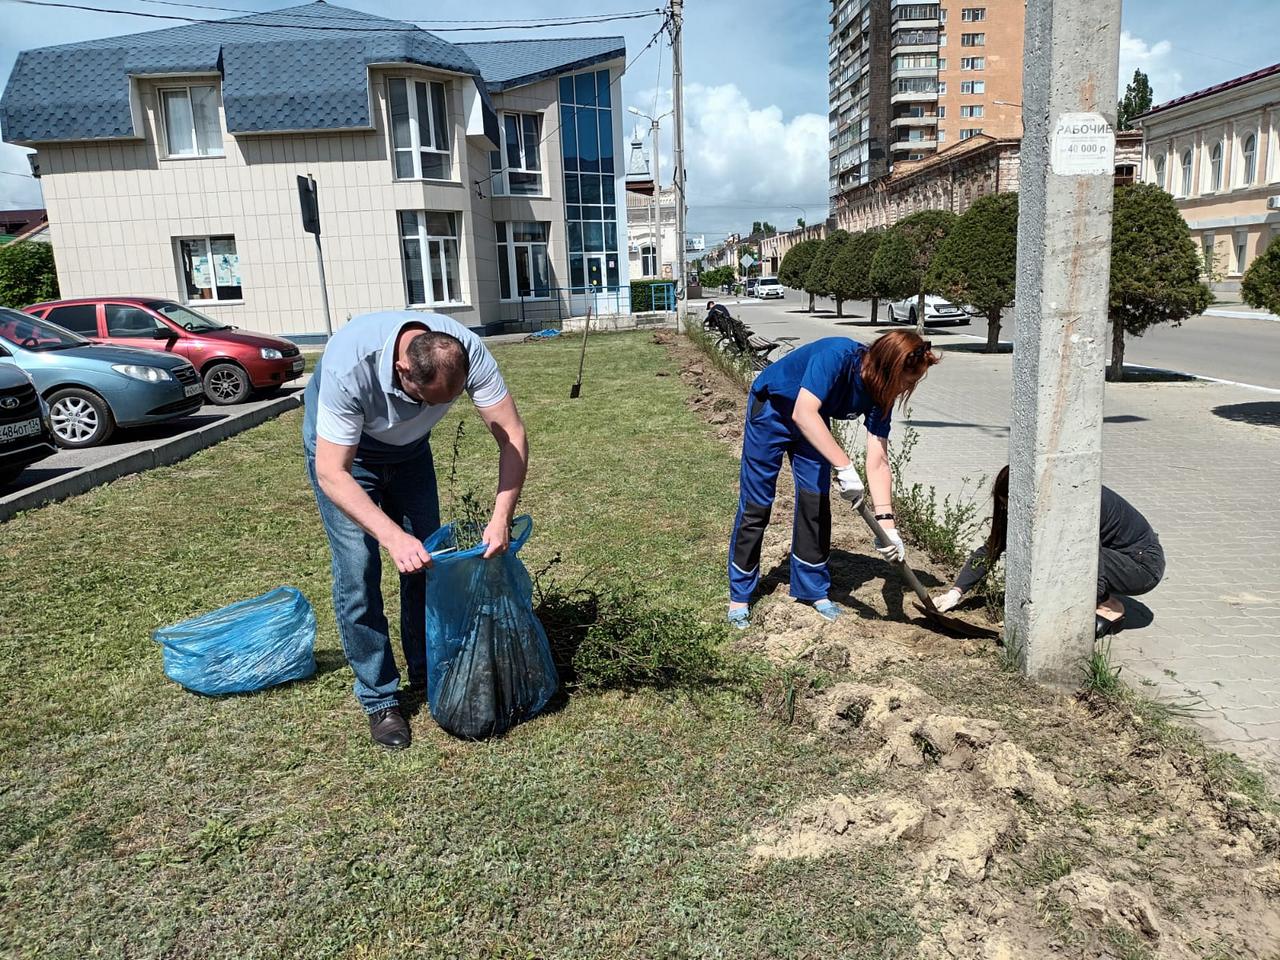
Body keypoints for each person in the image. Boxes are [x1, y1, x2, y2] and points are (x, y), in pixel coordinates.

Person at [302, 311, 528, 749]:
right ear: (403, 369)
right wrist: (392, 537)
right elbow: (333, 472)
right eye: (428, 400)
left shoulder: (466, 352)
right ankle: (379, 698)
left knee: (428, 564)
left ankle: (430, 668)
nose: (437, 408)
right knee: (358, 572)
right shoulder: (350, 367)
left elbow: (512, 436)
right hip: (347, 458)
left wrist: (501, 516)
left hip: (409, 456)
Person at [728, 331, 940, 628]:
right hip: (773, 410)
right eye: (908, 379)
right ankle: (740, 595)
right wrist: (844, 466)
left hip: (813, 423)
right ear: (889, 367)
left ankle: (812, 589)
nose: (909, 387)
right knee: (757, 503)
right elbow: (803, 412)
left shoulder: (882, 394)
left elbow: (878, 461)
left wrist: (888, 526)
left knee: (815, 503)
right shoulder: (837, 356)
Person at [933, 466, 1165, 638]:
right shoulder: (1034, 500)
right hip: (1111, 557)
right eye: (1005, 505)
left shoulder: (1072, 501)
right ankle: (1102, 601)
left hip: (1141, 565)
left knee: (1067, 551)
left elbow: (1085, 559)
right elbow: (992, 548)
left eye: (1012, 504)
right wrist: (956, 591)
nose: (1009, 511)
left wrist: (1068, 613)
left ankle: (1108, 609)